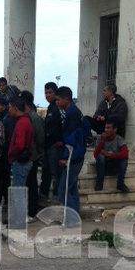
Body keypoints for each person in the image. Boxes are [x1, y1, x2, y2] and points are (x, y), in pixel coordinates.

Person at [55, 87, 85, 227]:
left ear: (66, 99)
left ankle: (73, 219)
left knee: (63, 190)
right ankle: (75, 217)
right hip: (76, 156)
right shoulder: (74, 112)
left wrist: (65, 157)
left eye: (58, 99)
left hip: (73, 158)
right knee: (72, 189)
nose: (56, 102)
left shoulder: (72, 115)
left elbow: (72, 140)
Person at [7, 96, 34, 228]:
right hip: (22, 160)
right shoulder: (23, 121)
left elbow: (20, 144)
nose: (9, 111)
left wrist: (10, 153)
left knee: (18, 193)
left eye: (10, 108)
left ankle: (20, 221)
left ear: (15, 109)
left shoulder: (22, 122)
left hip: (21, 161)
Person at [21, 90, 44, 219]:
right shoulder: (24, 116)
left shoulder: (33, 117)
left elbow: (39, 137)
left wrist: (39, 152)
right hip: (25, 156)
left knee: (31, 184)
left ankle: (32, 211)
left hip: (31, 155)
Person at [39, 82, 64, 202]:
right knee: (46, 171)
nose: (47, 95)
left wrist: (61, 141)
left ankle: (57, 195)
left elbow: (61, 127)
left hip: (54, 145)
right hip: (47, 145)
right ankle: (43, 194)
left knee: (55, 172)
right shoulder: (50, 107)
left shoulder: (58, 109)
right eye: (46, 93)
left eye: (50, 92)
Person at [93, 118, 130, 193]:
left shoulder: (119, 139)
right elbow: (95, 154)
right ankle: (99, 183)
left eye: (108, 128)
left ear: (115, 130)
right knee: (100, 157)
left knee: (124, 160)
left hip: (114, 166)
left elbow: (125, 154)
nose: (106, 130)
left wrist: (109, 155)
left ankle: (120, 184)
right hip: (103, 167)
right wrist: (102, 141)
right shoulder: (100, 138)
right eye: (105, 128)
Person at [0, 98, 14, 207]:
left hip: (5, 153)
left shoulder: (7, 118)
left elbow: (8, 137)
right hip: (1, 154)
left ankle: (6, 201)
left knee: (5, 179)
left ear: (4, 107)